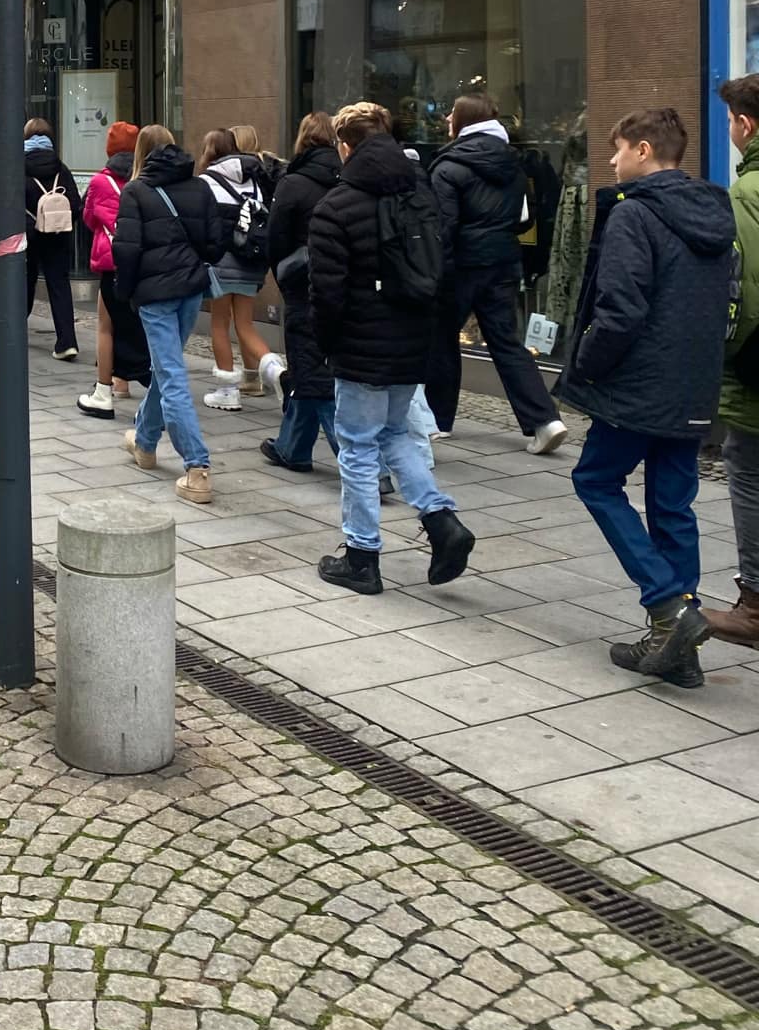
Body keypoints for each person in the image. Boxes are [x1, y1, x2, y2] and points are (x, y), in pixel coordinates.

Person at [559, 107, 734, 684]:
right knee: (673, 506)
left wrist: (586, 366)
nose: (611, 161)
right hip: (693, 384)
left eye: (616, 149)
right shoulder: (716, 212)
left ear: (642, 150)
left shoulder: (634, 213)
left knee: (595, 479)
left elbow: (620, 310)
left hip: (637, 384)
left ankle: (667, 608)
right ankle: (678, 652)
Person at [308, 101, 475, 596]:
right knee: (395, 432)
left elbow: (327, 293)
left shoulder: (336, 205)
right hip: (412, 338)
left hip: (360, 344)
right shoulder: (420, 192)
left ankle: (362, 556)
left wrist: (326, 346)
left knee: (358, 446)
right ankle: (442, 521)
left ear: (345, 146)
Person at [426, 94, 568, 454]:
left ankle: (436, 420)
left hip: (461, 266)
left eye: (452, 114)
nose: (446, 119)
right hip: (503, 261)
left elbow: (443, 228)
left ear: (463, 121)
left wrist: (434, 271)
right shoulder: (513, 163)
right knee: (506, 342)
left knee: (441, 338)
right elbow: (524, 219)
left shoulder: (448, 166)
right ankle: (545, 420)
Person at [112, 123, 231, 505]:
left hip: (155, 294)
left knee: (172, 374)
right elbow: (216, 244)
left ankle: (197, 467)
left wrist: (126, 291)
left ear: (140, 153)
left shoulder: (136, 191)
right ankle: (145, 441)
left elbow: (126, 250)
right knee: (168, 369)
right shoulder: (199, 187)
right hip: (190, 289)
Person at [260, 111, 342, 471]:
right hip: (343, 281)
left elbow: (275, 239)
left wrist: (285, 276)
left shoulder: (293, 183)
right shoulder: (346, 178)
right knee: (310, 368)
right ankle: (292, 447)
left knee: (313, 371)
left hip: (304, 284)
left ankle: (369, 469)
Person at [710, 75, 759, 646]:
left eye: (730, 122)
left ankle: (755, 604)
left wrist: (727, 355)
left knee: (746, 467)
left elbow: (738, 294)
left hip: (756, 372)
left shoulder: (744, 194)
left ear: (745, 125)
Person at [78, 122, 151, 418]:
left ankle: (104, 390)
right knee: (139, 322)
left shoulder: (100, 182)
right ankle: (122, 383)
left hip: (111, 262)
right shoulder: (144, 178)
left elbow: (88, 219)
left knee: (105, 326)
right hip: (141, 262)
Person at [197, 128, 274, 408]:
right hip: (250, 262)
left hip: (220, 264)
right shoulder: (255, 181)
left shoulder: (206, 181)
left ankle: (228, 391)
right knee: (245, 325)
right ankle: (276, 371)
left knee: (220, 324)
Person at [23, 118, 83, 360]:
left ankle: (16, 329)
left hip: (30, 235)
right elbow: (76, 204)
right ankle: (67, 342)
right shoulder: (61, 167)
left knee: (25, 282)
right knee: (59, 286)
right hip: (58, 235)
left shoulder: (19, 166)